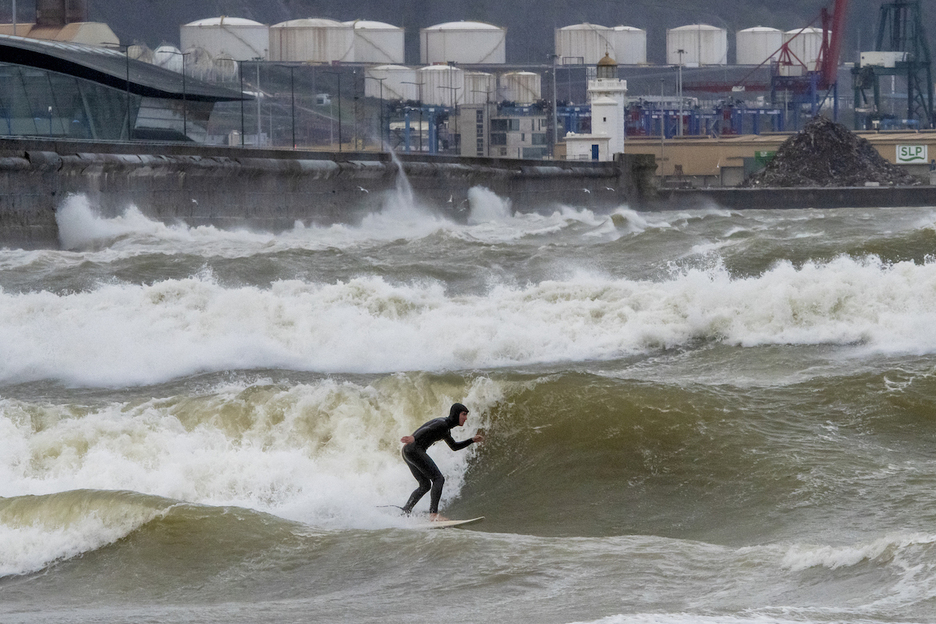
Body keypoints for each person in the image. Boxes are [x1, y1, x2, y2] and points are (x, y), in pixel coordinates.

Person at [400, 402, 484, 520]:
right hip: (414, 450)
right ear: (456, 414)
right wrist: (414, 438)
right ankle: (433, 514)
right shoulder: (442, 424)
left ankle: (405, 511)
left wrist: (472, 440)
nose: (465, 418)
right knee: (438, 478)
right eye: (463, 414)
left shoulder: (445, 429)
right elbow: (426, 429)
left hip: (407, 452)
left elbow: (454, 446)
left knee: (425, 485)